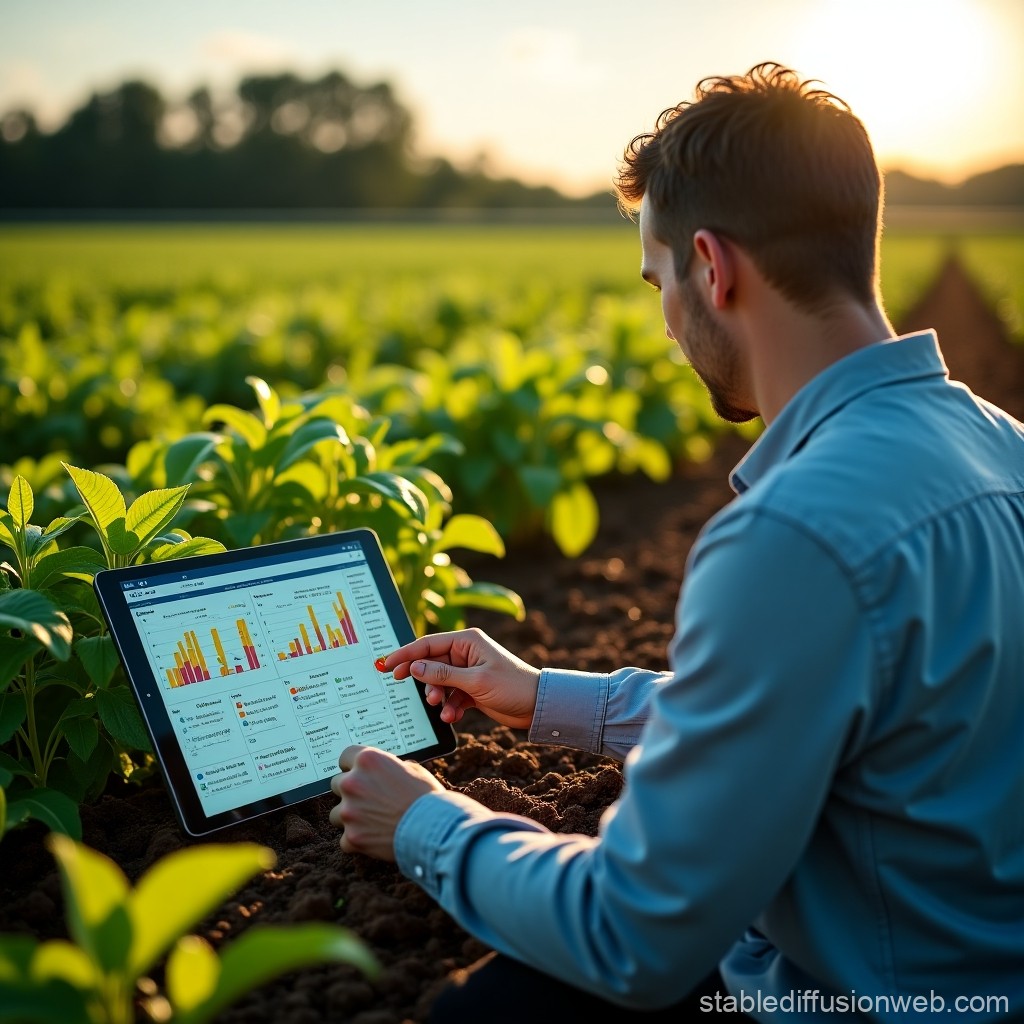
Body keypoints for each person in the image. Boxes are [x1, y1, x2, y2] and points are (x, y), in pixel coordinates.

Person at [329, 62, 1024, 1022]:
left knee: (483, 1013)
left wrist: (426, 825)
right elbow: (835, 721)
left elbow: (634, 936)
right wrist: (541, 698)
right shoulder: (1003, 445)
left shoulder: (793, 536)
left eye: (659, 280)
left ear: (712, 265)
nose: (665, 320)